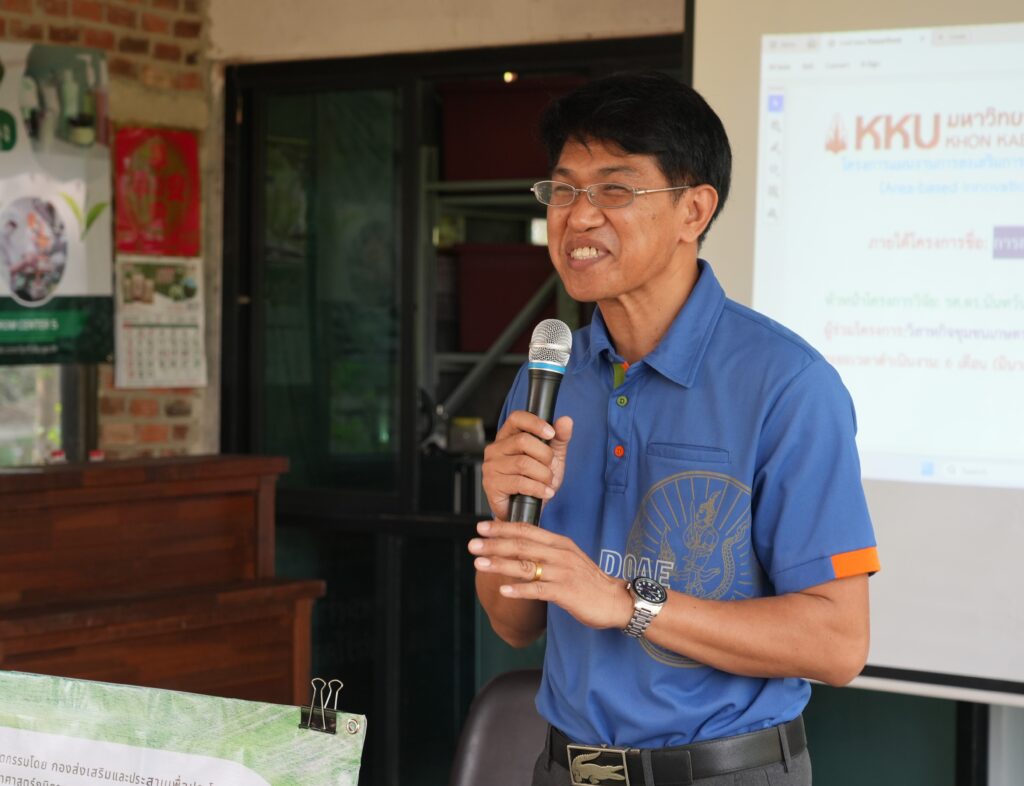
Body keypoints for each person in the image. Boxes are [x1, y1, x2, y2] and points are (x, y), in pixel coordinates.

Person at [468, 71, 880, 786]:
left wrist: (625, 603)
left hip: (723, 773)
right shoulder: (548, 376)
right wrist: (508, 516)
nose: (579, 217)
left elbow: (838, 642)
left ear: (694, 209)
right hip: (565, 769)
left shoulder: (786, 384)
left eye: (614, 190)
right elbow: (513, 624)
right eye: (563, 190)